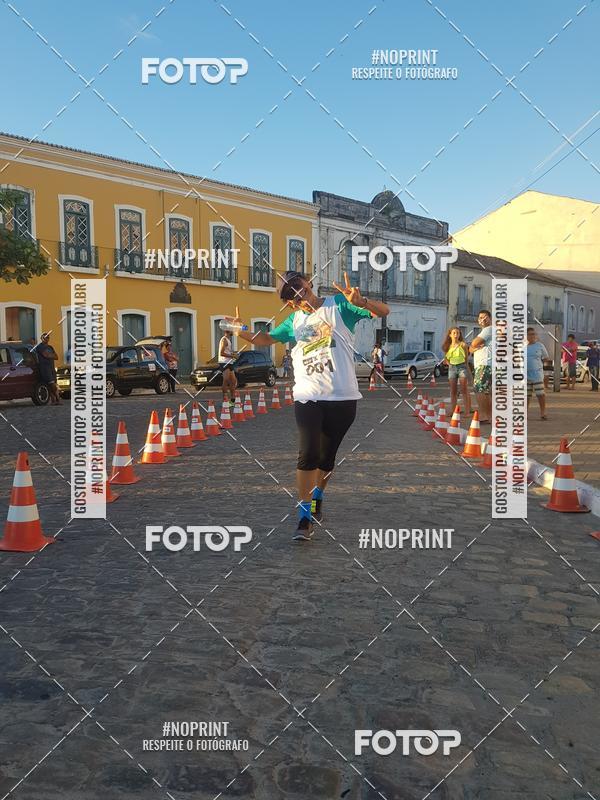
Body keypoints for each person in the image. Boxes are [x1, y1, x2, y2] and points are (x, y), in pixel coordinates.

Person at [228, 270, 389, 541]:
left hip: (343, 397)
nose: (296, 293)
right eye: (288, 294)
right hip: (308, 396)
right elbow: (265, 338)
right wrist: (240, 330)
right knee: (308, 453)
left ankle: (317, 497)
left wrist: (362, 303)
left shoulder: (339, 304)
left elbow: (384, 311)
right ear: (288, 303)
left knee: (326, 460)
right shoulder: (294, 320)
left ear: (308, 283)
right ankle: (304, 516)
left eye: (297, 285)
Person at [469, 310, 493, 424]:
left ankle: (484, 415)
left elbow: (473, 344)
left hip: (485, 363)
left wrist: (474, 345)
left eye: (484, 317)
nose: (482, 319)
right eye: (480, 317)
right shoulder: (485, 331)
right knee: (486, 391)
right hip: (485, 364)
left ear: (490, 318)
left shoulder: (488, 330)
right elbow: (471, 348)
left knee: (479, 389)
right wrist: (474, 346)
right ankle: (489, 416)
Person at [442, 327, 471, 415]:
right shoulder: (447, 346)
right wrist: (448, 363)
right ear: (450, 335)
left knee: (464, 389)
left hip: (462, 367)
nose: (456, 335)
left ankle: (467, 412)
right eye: (454, 333)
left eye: (457, 333)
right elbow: (445, 359)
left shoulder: (463, 345)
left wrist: (468, 372)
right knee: (453, 391)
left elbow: (466, 359)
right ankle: (453, 411)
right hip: (452, 368)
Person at [526, 327, 549, 420]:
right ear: (526, 336)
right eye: (530, 334)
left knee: (540, 394)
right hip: (525, 375)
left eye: (534, 334)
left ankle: (543, 412)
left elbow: (546, 358)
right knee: (526, 396)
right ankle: (525, 414)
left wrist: (539, 365)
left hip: (537, 375)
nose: (532, 336)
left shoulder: (540, 345)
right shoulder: (522, 346)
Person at [38, 332, 61, 405]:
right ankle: (57, 399)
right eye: (45, 337)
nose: (46, 339)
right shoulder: (40, 347)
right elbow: (45, 355)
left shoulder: (50, 347)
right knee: (51, 384)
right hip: (45, 368)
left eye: (48, 337)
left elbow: (56, 357)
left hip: (52, 368)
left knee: (53, 384)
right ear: (42, 338)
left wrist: (49, 355)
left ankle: (53, 401)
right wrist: (51, 355)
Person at [218, 328, 237, 402]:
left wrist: (233, 354)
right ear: (229, 331)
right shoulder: (224, 340)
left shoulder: (228, 340)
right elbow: (221, 353)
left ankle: (232, 400)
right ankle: (225, 399)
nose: (233, 331)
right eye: (232, 330)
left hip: (229, 362)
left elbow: (227, 352)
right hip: (224, 362)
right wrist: (232, 356)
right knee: (225, 380)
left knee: (233, 381)